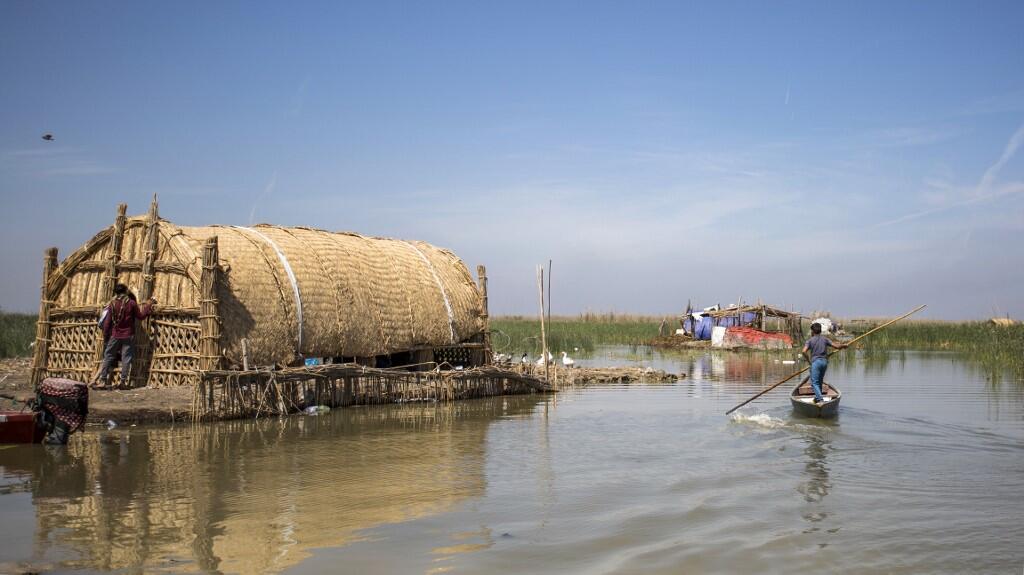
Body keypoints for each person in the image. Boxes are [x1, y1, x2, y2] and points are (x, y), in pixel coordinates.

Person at [94, 284, 156, 389]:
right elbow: (140, 316)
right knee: (126, 358)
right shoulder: (131, 303)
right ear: (126, 291)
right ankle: (123, 382)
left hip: (115, 335)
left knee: (108, 356)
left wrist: (106, 337)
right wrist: (148, 307)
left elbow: (108, 322)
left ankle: (103, 381)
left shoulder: (112, 304)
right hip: (128, 335)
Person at [801, 322, 849, 403]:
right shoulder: (825, 339)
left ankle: (820, 400)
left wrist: (809, 361)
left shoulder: (810, 341)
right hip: (824, 362)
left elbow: (803, 351)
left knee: (814, 383)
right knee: (819, 381)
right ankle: (817, 398)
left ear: (812, 331)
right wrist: (844, 346)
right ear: (820, 331)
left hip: (816, 363)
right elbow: (836, 346)